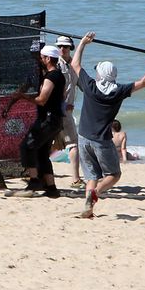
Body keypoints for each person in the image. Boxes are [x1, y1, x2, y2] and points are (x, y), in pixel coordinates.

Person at [71, 31, 145, 218]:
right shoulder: (119, 91)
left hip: (83, 136)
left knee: (91, 176)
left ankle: (88, 207)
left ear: (99, 74)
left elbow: (75, 64)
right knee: (114, 175)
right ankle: (95, 195)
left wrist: (82, 43)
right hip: (101, 140)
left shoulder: (90, 86)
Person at [7, 45, 65, 198]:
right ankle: (51, 188)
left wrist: (23, 96)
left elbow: (41, 100)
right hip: (54, 119)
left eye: (41, 57)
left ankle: (34, 181)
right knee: (42, 153)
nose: (40, 59)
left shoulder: (51, 76)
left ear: (47, 59)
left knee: (26, 146)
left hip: (49, 119)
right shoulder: (58, 75)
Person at [55, 36, 84, 188]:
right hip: (61, 110)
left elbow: (78, 84)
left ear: (70, 48)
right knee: (73, 143)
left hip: (67, 109)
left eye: (65, 46)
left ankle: (31, 169)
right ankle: (75, 178)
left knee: (55, 144)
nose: (62, 49)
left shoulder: (73, 64)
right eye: (60, 46)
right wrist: (64, 103)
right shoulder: (57, 64)